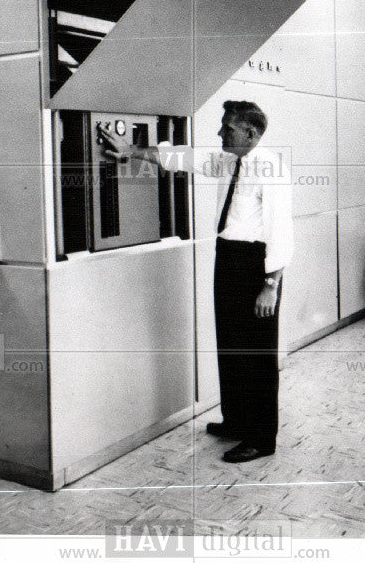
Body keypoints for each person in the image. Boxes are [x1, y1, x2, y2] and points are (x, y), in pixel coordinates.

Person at [98, 100, 293, 464]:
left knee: (257, 354)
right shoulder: (227, 159)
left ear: (250, 133)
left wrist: (271, 284)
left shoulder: (272, 168)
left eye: (228, 129)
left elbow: (281, 228)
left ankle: (261, 437)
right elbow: (182, 157)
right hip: (228, 256)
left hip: (258, 264)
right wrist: (132, 151)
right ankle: (236, 421)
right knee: (230, 343)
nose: (220, 133)